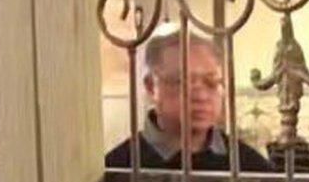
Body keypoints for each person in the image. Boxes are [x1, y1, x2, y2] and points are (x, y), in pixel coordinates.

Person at [105, 32, 269, 174]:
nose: (201, 96)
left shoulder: (251, 168)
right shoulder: (117, 167)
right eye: (181, 81)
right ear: (151, 87)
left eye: (211, 82)